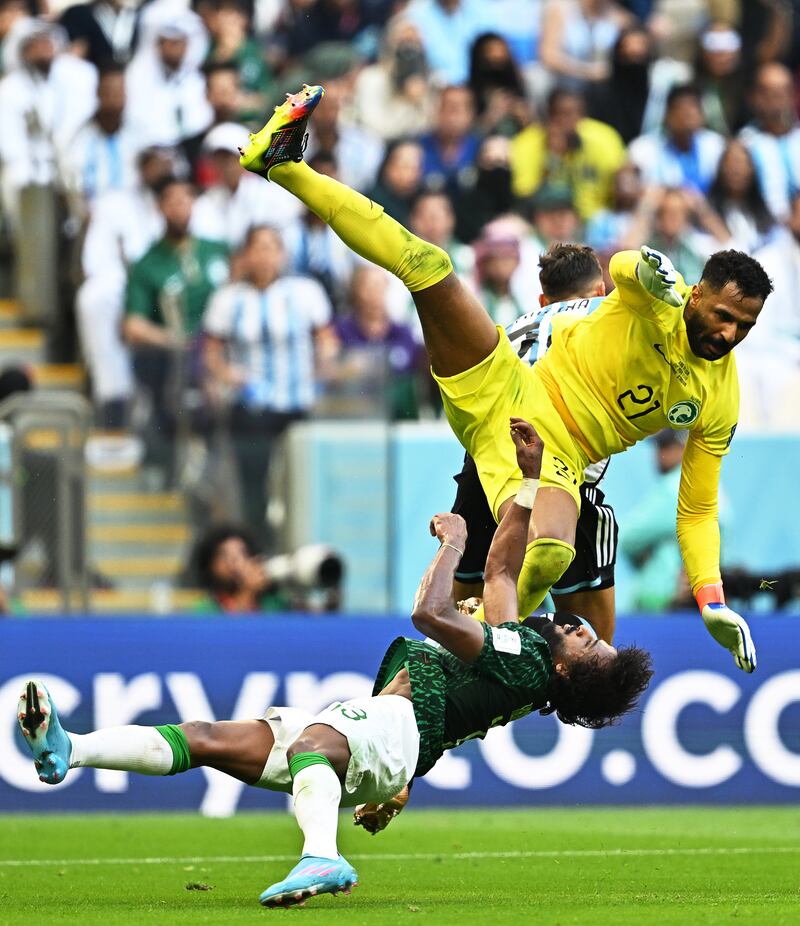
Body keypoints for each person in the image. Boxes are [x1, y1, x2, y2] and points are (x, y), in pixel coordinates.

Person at [238, 84, 772, 674]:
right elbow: (619, 267)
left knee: (550, 550)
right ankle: (282, 164)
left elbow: (696, 510)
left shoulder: (719, 395)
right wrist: (645, 264)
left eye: (743, 325)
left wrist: (712, 599)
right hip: (507, 383)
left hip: (554, 453)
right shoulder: (658, 302)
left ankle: (477, 649)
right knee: (430, 265)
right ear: (697, 294)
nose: (728, 333)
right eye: (722, 315)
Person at [17, 418, 653, 907]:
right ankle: (69, 750)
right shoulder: (521, 656)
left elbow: (431, 615)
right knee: (210, 738)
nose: (580, 628)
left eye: (588, 644)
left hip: (386, 731)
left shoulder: (527, 663)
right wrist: (532, 478)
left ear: (568, 672)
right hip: (389, 734)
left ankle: (321, 855)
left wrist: (453, 542)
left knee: (313, 743)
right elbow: (503, 568)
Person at [451, 243, 616, 642]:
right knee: (592, 656)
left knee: (461, 642)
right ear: (599, 292)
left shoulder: (511, 326)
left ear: (543, 299)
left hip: (485, 474)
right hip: (561, 473)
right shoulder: (608, 317)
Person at [202, 225, 332, 543]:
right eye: (257, 247)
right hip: (251, 405)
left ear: (283, 253)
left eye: (272, 247)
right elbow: (211, 352)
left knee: (300, 481)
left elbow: (327, 340)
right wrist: (225, 374)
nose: (264, 255)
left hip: (297, 402)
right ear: (245, 255)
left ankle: (301, 544)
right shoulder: (228, 298)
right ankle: (259, 544)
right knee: (252, 484)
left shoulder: (304, 292)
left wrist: (322, 369)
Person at [510, 86, 626, 221]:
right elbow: (525, 198)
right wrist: (553, 157)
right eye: (563, 114)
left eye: (577, 113)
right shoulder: (527, 142)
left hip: (596, 221)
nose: (572, 122)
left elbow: (622, 179)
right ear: (549, 117)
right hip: (548, 222)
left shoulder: (604, 138)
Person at [628, 84, 726, 196]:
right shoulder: (643, 149)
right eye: (681, 109)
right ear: (667, 115)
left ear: (702, 115)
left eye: (692, 109)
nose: (687, 116)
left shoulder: (716, 146)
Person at [738, 62, 800, 222]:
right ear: (753, 97)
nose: (776, 99)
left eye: (783, 91)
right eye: (767, 92)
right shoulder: (744, 144)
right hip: (765, 231)